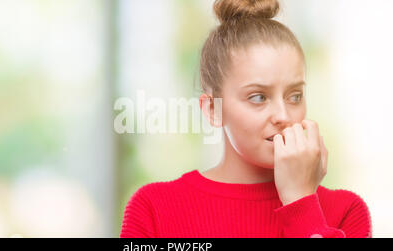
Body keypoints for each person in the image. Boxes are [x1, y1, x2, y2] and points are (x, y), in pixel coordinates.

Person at [120, 0, 372, 238]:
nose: (284, 116)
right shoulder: (154, 209)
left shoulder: (346, 212)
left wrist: (301, 203)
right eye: (258, 97)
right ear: (212, 110)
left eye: (295, 96)